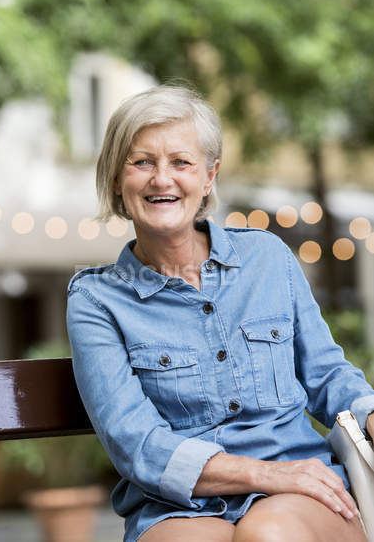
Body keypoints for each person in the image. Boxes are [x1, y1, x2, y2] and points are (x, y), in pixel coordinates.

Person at [66, 84, 374, 542]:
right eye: (142, 161)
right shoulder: (96, 302)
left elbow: (327, 375)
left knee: (269, 534)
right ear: (116, 178)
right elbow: (138, 446)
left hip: (300, 486)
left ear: (209, 177)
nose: (161, 179)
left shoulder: (268, 257)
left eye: (181, 162)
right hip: (175, 506)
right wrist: (263, 476)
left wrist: (368, 414)